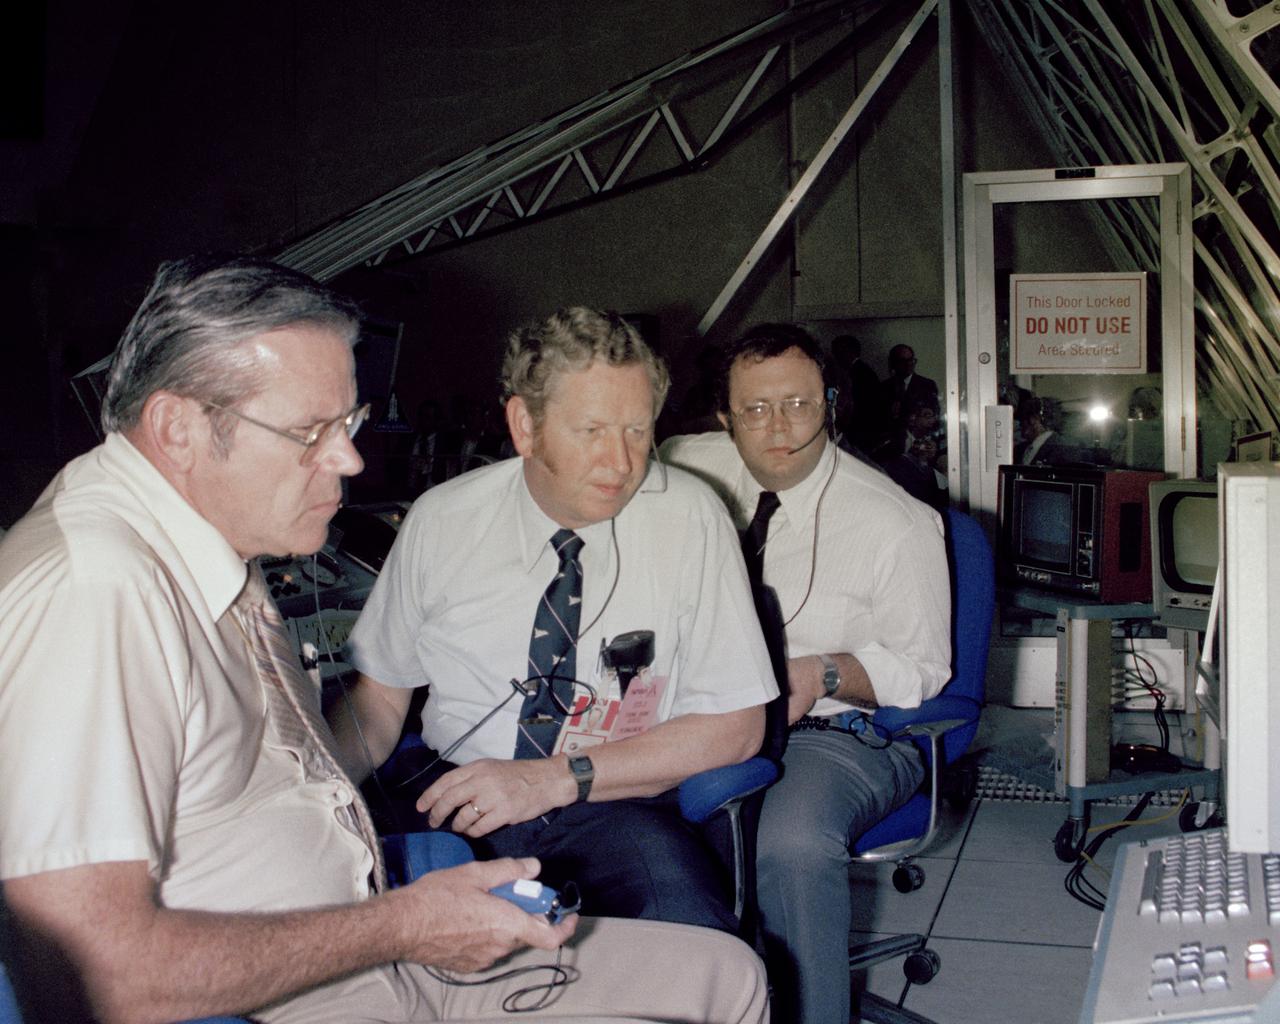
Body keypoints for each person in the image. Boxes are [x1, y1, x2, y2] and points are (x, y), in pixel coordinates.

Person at [0, 257, 770, 1024]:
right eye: (311, 431)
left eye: (349, 424)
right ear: (179, 428)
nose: (352, 460)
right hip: (326, 975)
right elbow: (91, 978)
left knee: (726, 972)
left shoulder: (208, 544)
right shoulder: (94, 592)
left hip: (379, 930)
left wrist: (410, 907)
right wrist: (409, 922)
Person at [337, 307, 777, 934]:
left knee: (687, 936)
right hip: (451, 797)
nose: (621, 462)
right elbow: (378, 703)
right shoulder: (442, 521)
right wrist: (306, 791)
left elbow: (736, 728)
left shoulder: (691, 518)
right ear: (525, 424)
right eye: (592, 430)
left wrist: (551, 780)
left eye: (636, 429)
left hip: (612, 801)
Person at [661, 323, 951, 1024]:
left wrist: (818, 674)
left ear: (831, 402)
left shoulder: (895, 522)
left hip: (842, 731)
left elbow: (924, 668)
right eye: (755, 409)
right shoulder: (688, 466)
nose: (779, 426)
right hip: (703, 712)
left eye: (798, 403)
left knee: (787, 846)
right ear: (725, 417)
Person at [827, 334, 882, 453]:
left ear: (849, 351)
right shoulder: (854, 372)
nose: (835, 355)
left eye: (837, 351)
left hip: (860, 430)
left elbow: (861, 405)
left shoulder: (860, 374)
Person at [880, 343, 939, 425]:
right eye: (903, 361)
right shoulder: (883, 387)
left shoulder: (927, 385)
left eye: (911, 360)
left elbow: (933, 416)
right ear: (893, 363)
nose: (908, 364)